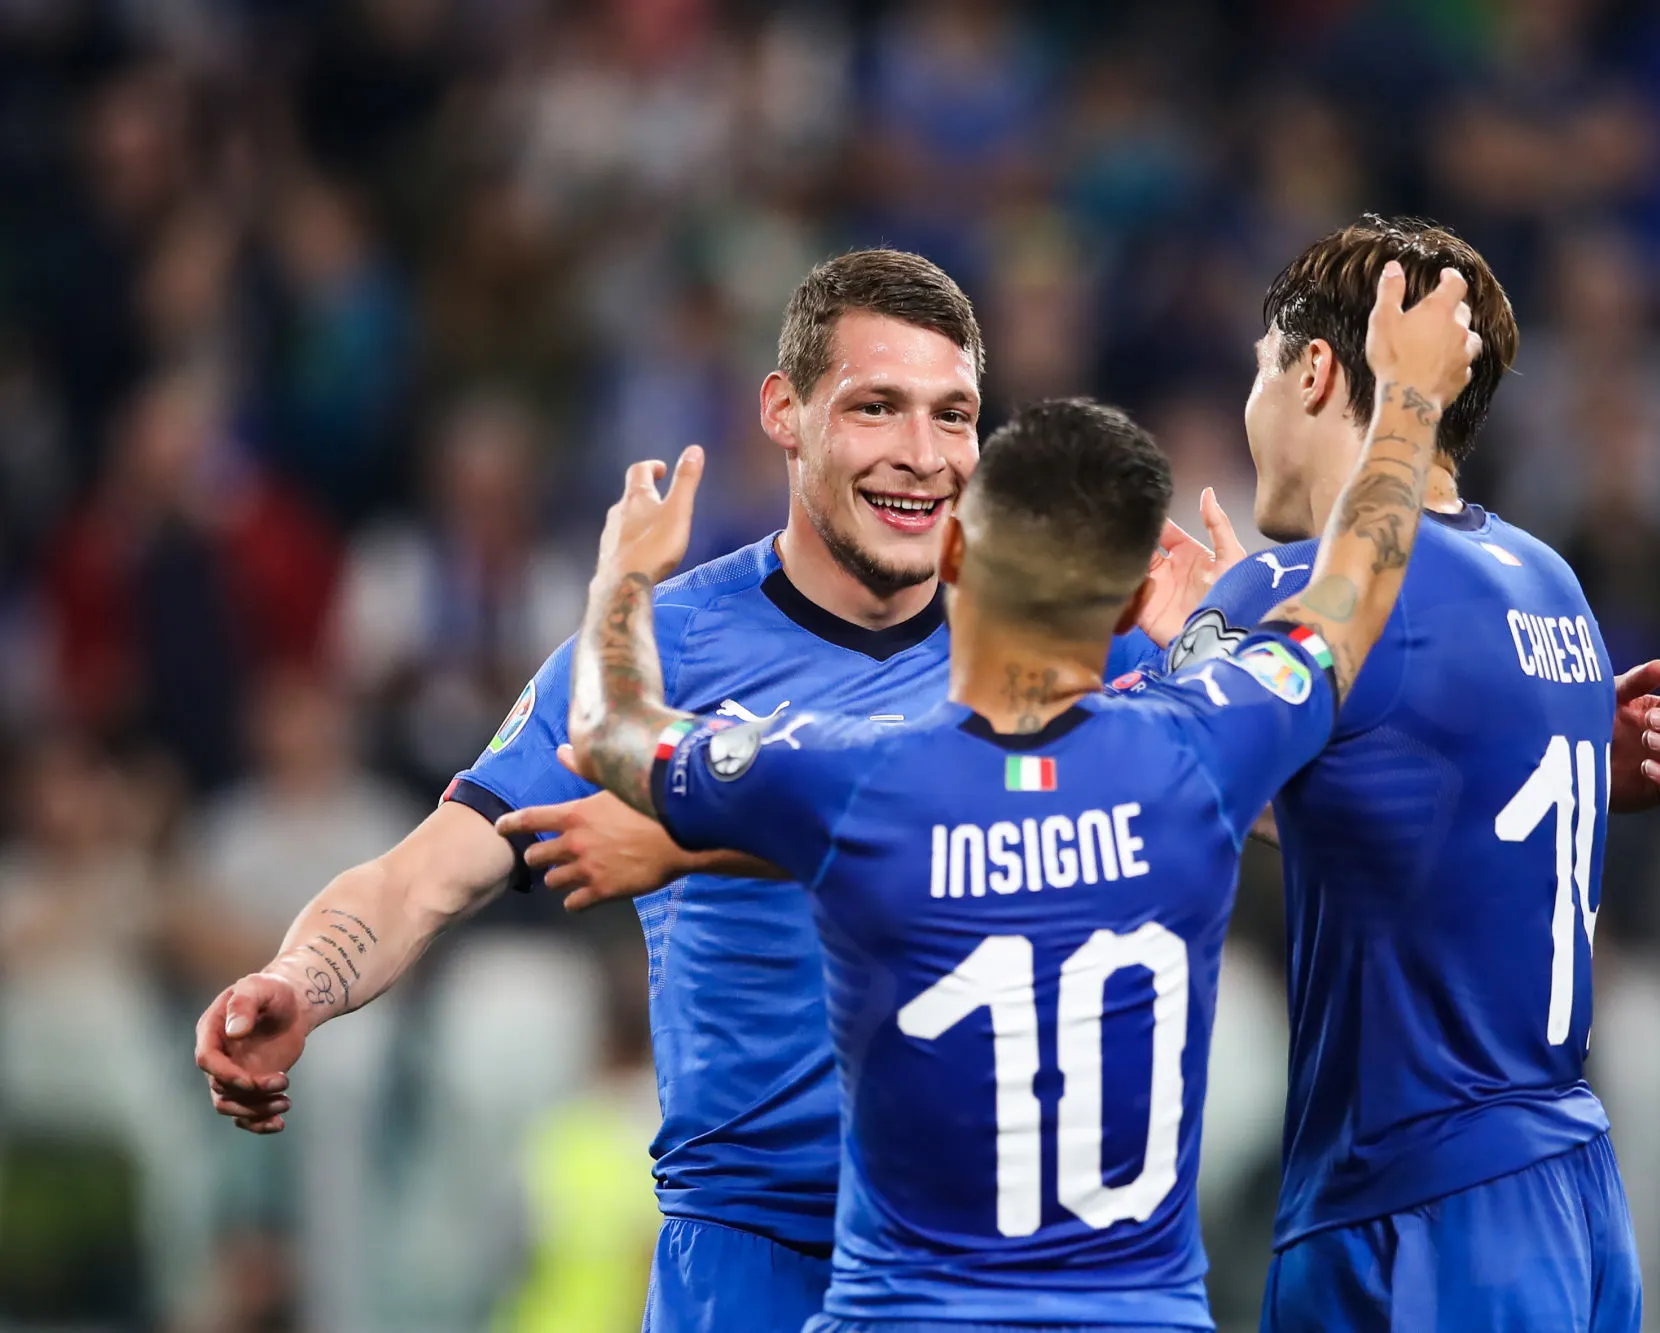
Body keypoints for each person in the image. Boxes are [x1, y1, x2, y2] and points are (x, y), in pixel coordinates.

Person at [193, 248, 1159, 1333]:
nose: (922, 455)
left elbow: (1247, 799)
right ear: (784, 412)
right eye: (876, 407)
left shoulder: (1069, 634)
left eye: (953, 415)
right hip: (751, 1260)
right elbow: (421, 875)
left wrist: (1211, 634)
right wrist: (299, 980)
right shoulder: (660, 649)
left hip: (1003, 1255)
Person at [559, 261, 1480, 1330]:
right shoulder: (1208, 746)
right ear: (1131, 603)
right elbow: (1353, 588)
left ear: (952, 548)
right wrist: (1405, 406)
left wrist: (623, 576)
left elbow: (607, 730)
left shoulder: (851, 780)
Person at [1148, 216, 1660, 1332]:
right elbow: (1380, 808)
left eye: (1261, 370)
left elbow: (1162, 792)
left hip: (1412, 1212)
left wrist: (1204, 645)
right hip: (1570, 1197)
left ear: (1314, 371)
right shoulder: (1547, 580)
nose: (1252, 408)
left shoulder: (1286, 592)